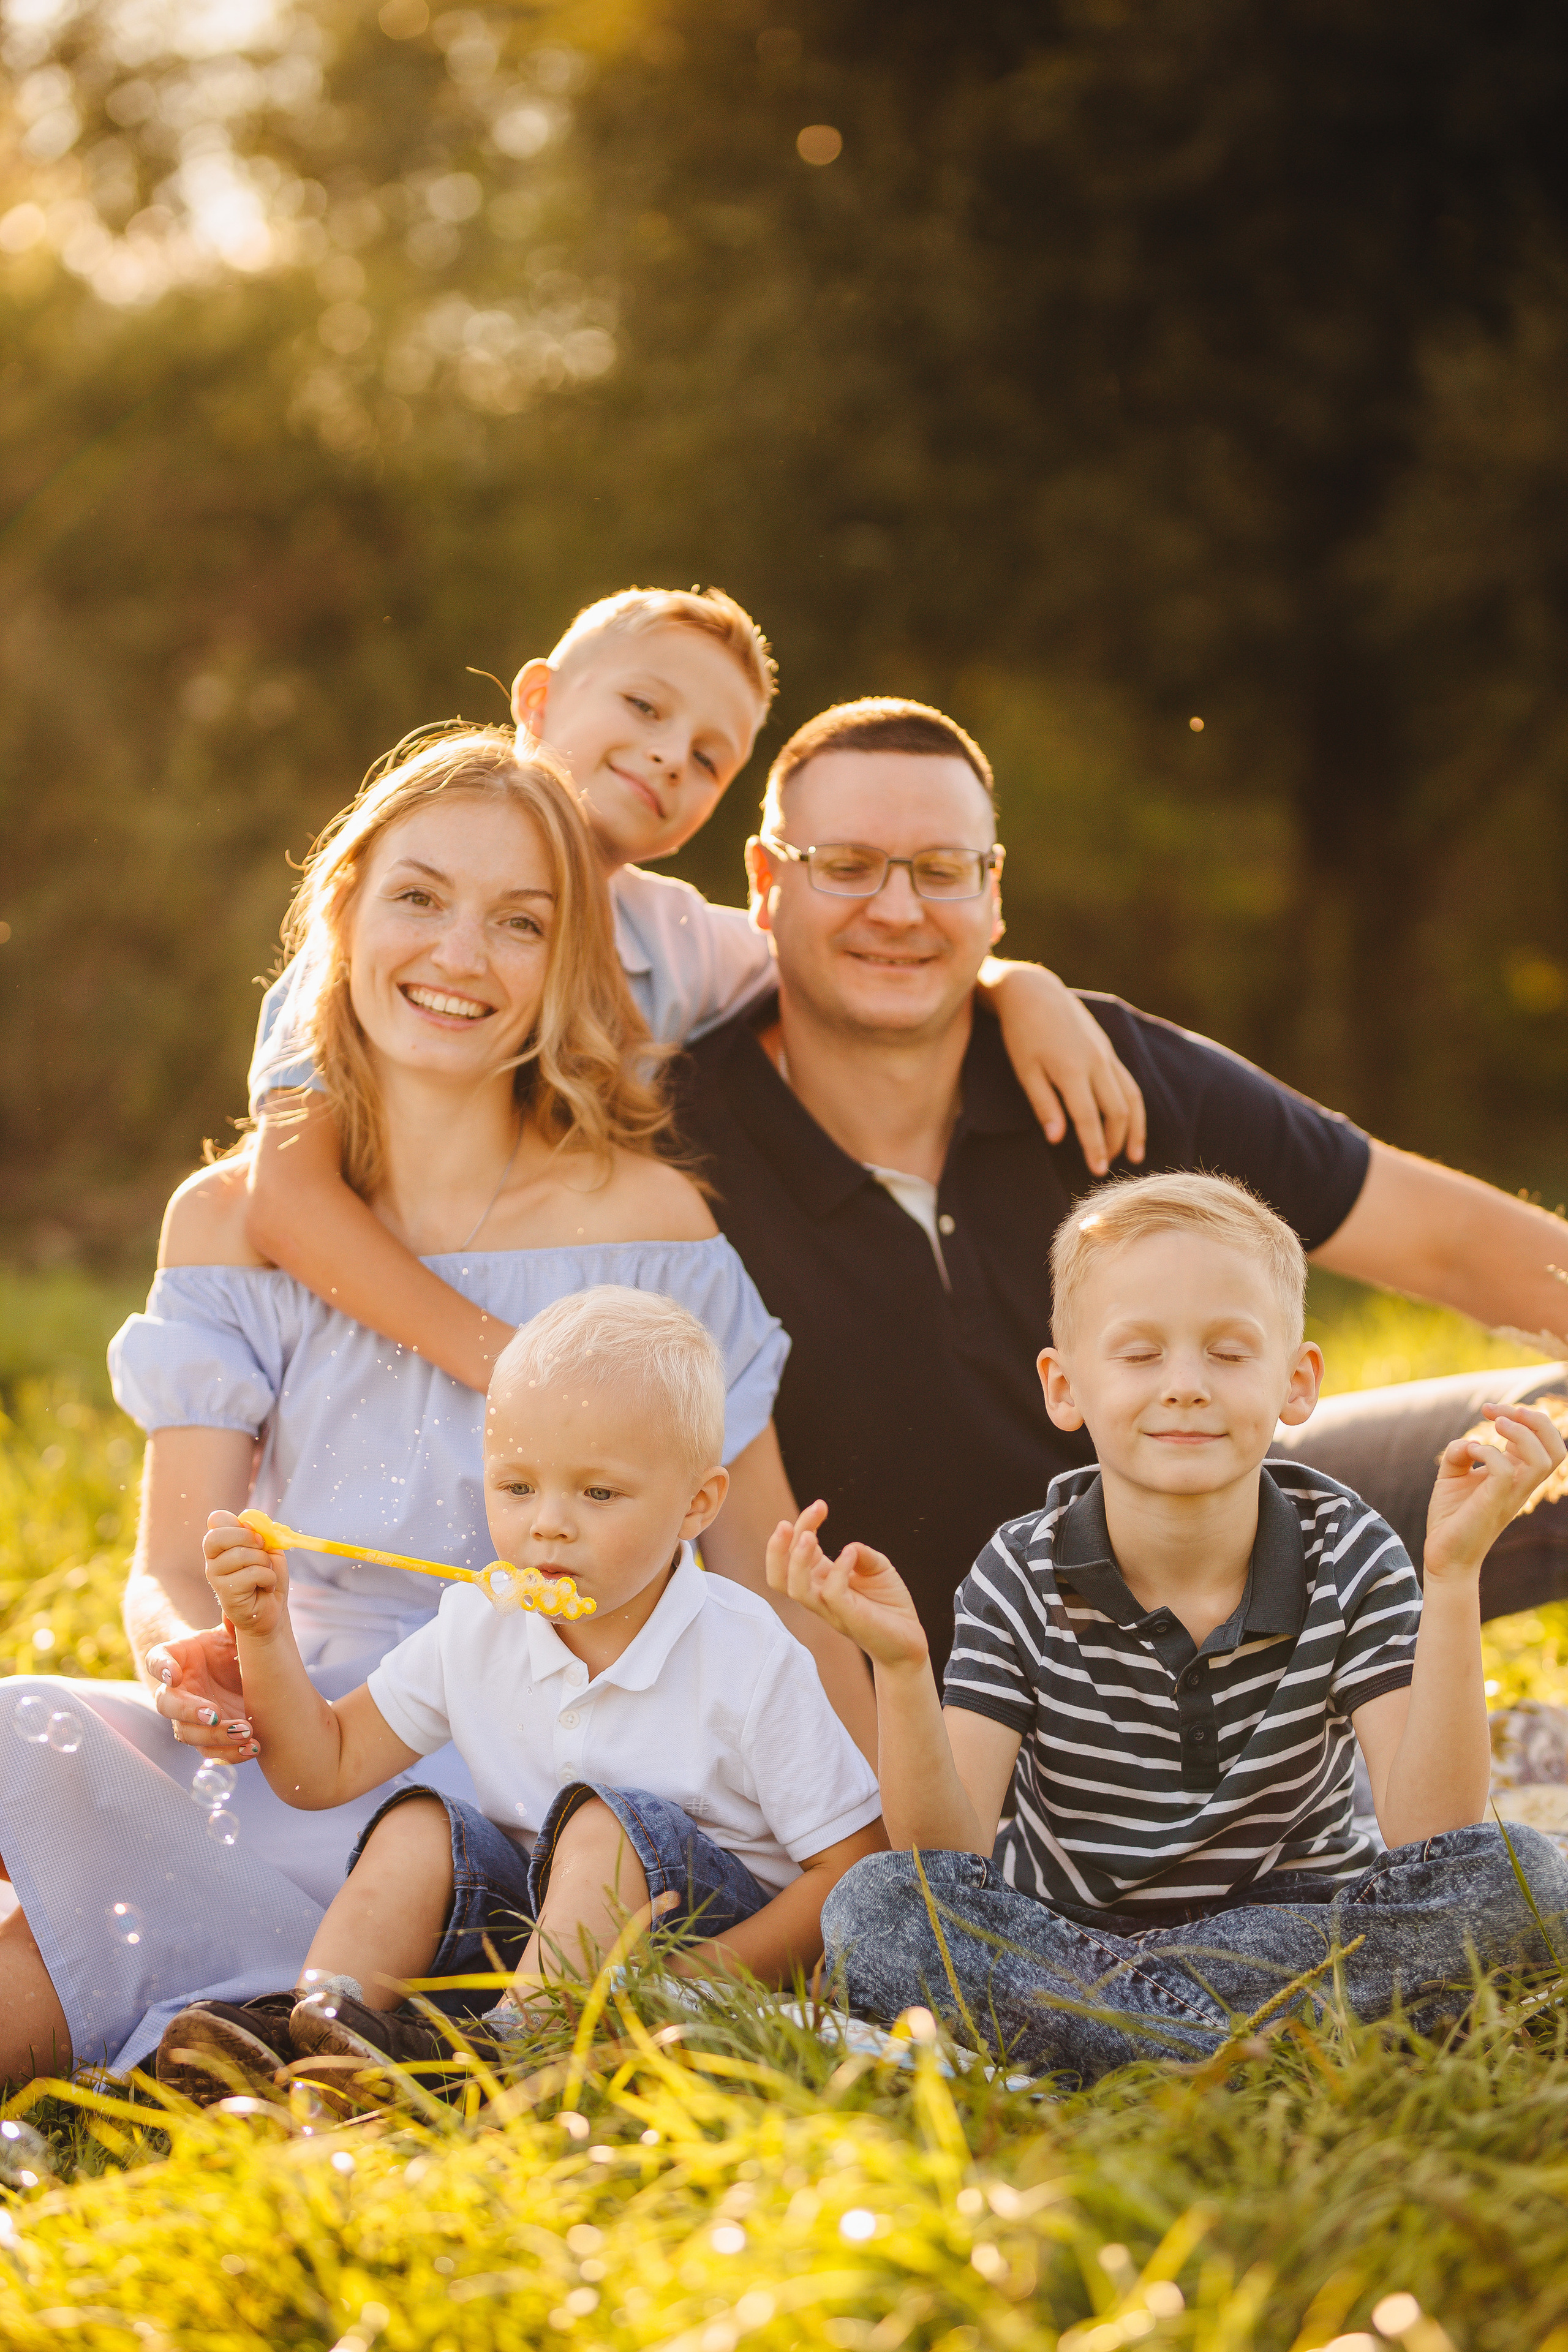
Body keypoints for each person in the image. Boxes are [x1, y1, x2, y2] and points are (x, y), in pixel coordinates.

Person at [0, 727, 824, 2087]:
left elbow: (762, 1565)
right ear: (342, 917)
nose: (459, 955)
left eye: (519, 922)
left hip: (532, 1763)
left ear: (563, 967)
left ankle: (309, 2018)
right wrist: (186, 1656)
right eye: (419, 898)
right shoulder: (227, 1223)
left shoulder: (644, 1221)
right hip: (291, 1740)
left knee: (108, 1940)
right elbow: (171, 1564)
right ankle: (258, 2025)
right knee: (54, 1819)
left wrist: (882, 1844)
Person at [671, 696, 1568, 1670]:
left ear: (994, 891)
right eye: (846, 867)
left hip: (1224, 1558)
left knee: (1553, 1424)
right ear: (765, 881)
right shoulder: (674, 1145)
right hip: (944, 1691)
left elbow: (1450, 1240)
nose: (899, 910)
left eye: (942, 871)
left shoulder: (1103, 1068)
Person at [242, 589, 1148, 1400]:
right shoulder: (398, 928)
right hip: (385, 1325)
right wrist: (507, 1368)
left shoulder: (683, 941)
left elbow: (864, 956)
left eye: (711, 759)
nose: (671, 755)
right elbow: (286, 1199)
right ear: (538, 700)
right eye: (643, 706)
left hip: (577, 1319)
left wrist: (1012, 983)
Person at [770, 1173, 1568, 2081]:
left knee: (1525, 1880)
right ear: (1065, 1386)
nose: (1185, 1386)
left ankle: (1132, 2047)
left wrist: (1454, 1575)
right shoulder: (1018, 1572)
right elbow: (944, 1859)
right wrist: (905, 1669)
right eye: (1140, 1355)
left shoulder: (1351, 1551)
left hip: (1303, 1930)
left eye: (1229, 1354)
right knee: (878, 1906)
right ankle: (1247, 2048)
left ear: (1297, 1383)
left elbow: (1434, 1833)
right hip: (1065, 1935)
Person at [156, 1289, 884, 2101]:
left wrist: (695, 1978)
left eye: (597, 1494)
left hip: (701, 1958)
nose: (550, 1525)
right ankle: (319, 2029)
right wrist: (262, 1635)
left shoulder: (745, 1653)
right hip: (540, 1956)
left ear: (697, 1505)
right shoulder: (478, 1624)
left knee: (607, 1822)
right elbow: (318, 1771)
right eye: (517, 1488)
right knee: (426, 1825)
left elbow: (851, 1869)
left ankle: (503, 2067)